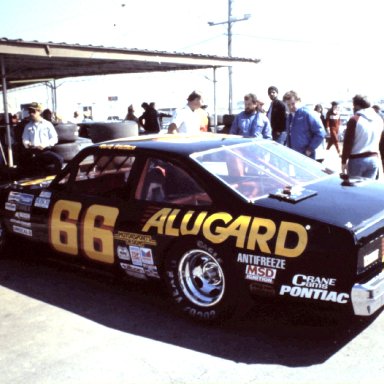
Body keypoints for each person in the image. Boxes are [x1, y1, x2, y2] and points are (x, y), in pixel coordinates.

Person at [341, 95, 383, 179]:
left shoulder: (355, 120)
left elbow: (348, 142)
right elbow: (382, 144)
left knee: (354, 190)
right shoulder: (379, 119)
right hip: (374, 159)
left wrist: (344, 161)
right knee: (368, 190)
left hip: (357, 160)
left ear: (357, 106)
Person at [21, 102, 63, 173]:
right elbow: (25, 139)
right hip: (33, 152)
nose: (31, 113)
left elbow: (54, 138)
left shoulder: (47, 124)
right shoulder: (28, 126)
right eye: (30, 111)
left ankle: (56, 178)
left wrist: (44, 145)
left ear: (39, 111)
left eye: (33, 111)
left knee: (59, 159)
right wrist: (28, 144)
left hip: (45, 151)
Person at [282, 90, 326, 159]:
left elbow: (321, 133)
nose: (290, 107)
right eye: (288, 105)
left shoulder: (307, 114)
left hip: (305, 156)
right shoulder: (289, 117)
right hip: (293, 155)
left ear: (298, 101)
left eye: (293, 104)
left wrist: (310, 149)